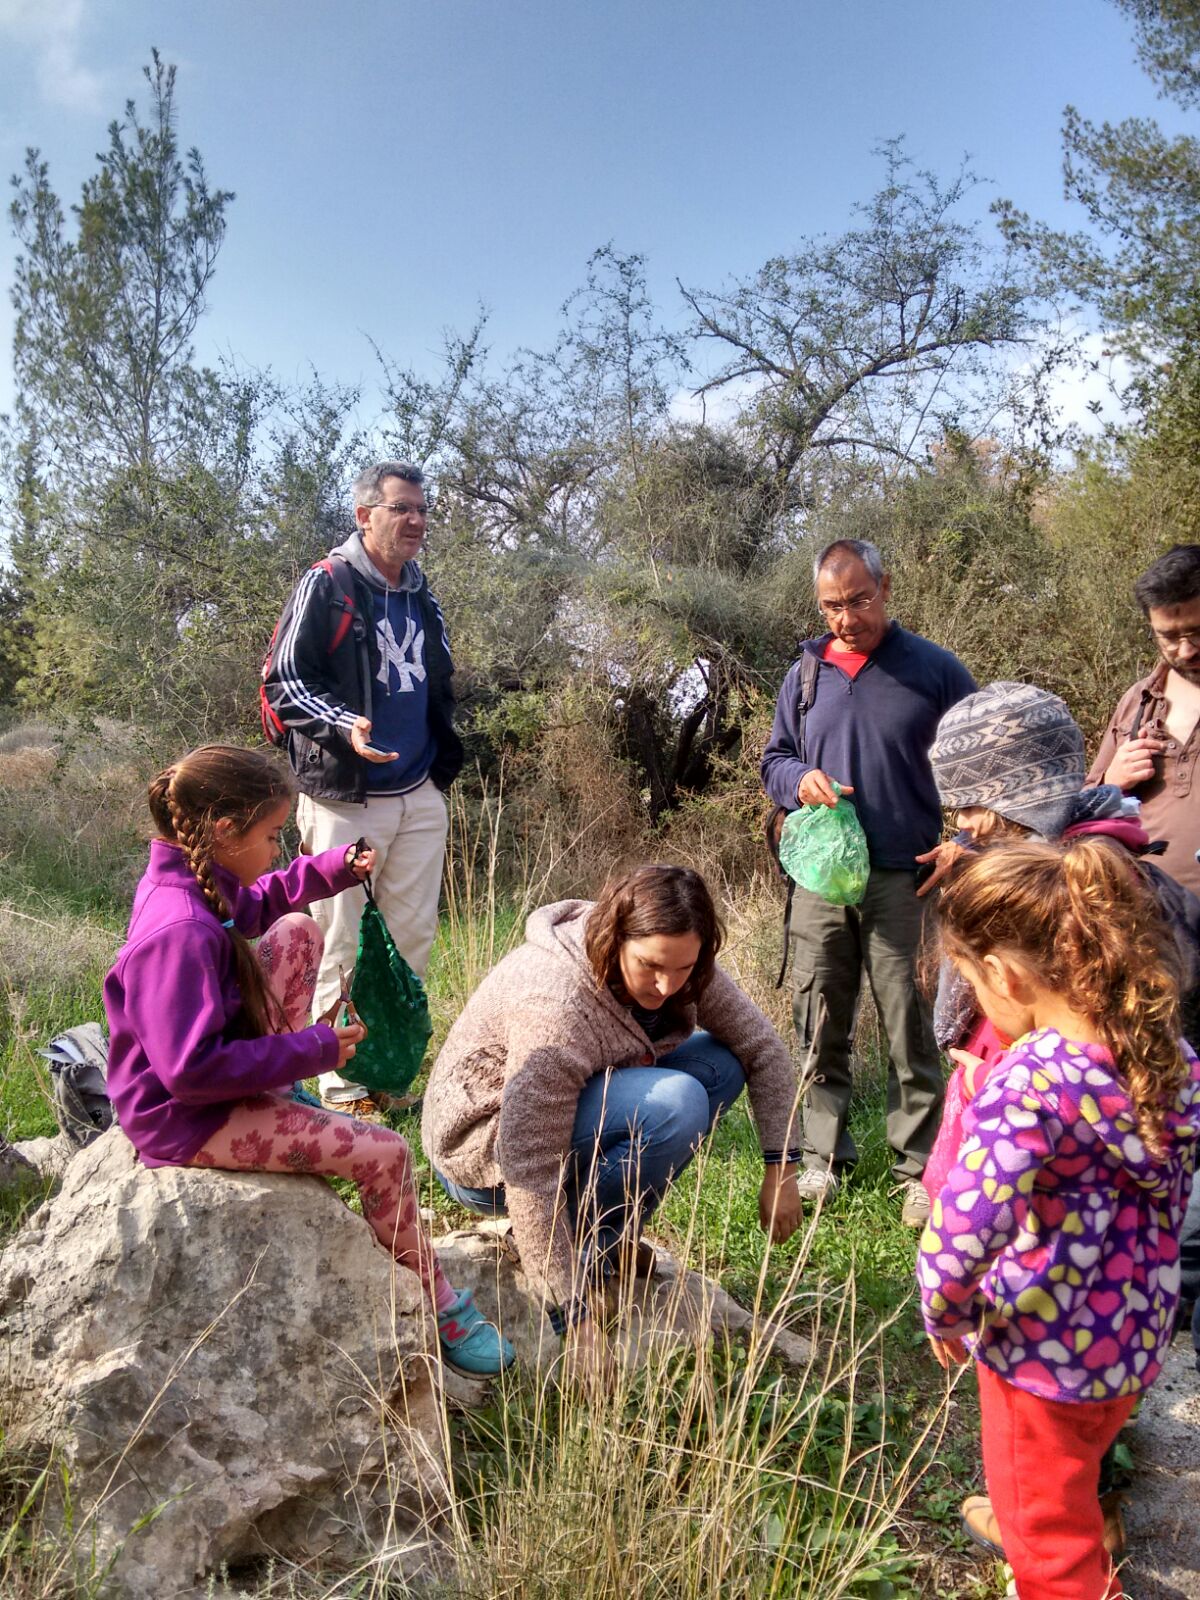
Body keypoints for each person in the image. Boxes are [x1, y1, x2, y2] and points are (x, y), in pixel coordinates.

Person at [103, 745, 512, 1378]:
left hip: (211, 1083)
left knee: (298, 932)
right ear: (224, 830)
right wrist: (315, 1049)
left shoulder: (193, 876)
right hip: (184, 1118)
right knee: (386, 1155)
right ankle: (440, 1306)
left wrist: (333, 869)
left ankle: (281, 1097)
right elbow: (190, 1072)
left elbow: (261, 903)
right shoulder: (179, 930)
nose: (277, 848)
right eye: (272, 835)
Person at [919, 838, 1200, 1600]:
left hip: (1039, 1357)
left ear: (1006, 975)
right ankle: (1066, 1517)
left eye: (975, 984)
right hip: (1131, 1342)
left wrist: (946, 1309)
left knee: (1047, 1551)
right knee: (1070, 1476)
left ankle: (1064, 1564)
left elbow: (964, 1227)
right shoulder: (1165, 1056)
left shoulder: (1030, 1081)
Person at [421, 864, 802, 1370]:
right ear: (615, 937)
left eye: (685, 968)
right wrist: (572, 1315)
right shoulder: (555, 1002)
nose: (668, 985)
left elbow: (764, 1050)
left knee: (722, 1065)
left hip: (573, 1111)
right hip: (485, 1153)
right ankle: (585, 1254)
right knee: (677, 1102)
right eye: (651, 966)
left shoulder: (680, 959)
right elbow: (529, 1165)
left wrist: (782, 1167)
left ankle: (607, 1238)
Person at [760, 537, 976, 1226]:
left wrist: (966, 841)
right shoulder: (806, 672)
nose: (846, 618)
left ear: (885, 588)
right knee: (820, 1013)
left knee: (912, 1022)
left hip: (907, 877)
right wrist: (800, 782)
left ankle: (919, 1166)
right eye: (832, 605)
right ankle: (823, 1156)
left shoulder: (935, 671)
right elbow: (775, 761)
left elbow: (979, 767)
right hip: (822, 878)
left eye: (858, 600)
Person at [262, 461, 462, 1113]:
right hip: (345, 795)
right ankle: (339, 1077)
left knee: (408, 939)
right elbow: (285, 682)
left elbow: (437, 677)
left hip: (417, 791)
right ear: (364, 516)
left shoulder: (422, 593)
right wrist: (345, 724)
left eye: (423, 510)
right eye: (402, 508)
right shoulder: (327, 586)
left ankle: (389, 1071)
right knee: (337, 934)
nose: (416, 521)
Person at [1087, 543, 1200, 899]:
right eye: (1168, 636)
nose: (1185, 650)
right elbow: (1083, 807)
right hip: (1155, 924)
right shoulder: (1138, 701)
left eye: (1197, 632)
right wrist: (1112, 781)